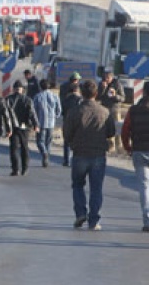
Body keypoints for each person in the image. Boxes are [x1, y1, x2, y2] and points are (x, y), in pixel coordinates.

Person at [63, 79, 115, 231]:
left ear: (82, 94)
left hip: (80, 153)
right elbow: (111, 132)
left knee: (78, 185)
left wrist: (73, 142)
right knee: (96, 188)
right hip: (98, 154)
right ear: (96, 93)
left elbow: (67, 133)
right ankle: (94, 220)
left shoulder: (75, 111)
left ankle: (80, 213)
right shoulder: (104, 111)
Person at [121, 82, 149, 232]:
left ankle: (147, 220)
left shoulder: (133, 110)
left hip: (139, 151)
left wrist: (128, 148)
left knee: (144, 187)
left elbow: (125, 130)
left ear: (144, 92)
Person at [6, 80, 40, 176]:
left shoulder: (8, 99)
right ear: (22, 89)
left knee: (14, 148)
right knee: (24, 148)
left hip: (13, 127)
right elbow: (32, 113)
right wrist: (36, 125)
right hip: (25, 127)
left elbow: (5, 114)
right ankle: (24, 169)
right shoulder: (27, 99)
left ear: (13, 89)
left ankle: (15, 169)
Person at [33, 78, 61, 167]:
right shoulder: (55, 96)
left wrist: (34, 121)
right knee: (48, 141)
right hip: (51, 122)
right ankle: (46, 158)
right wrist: (55, 116)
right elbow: (59, 109)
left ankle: (44, 153)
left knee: (39, 141)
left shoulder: (38, 96)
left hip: (41, 122)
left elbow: (34, 110)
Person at [97, 70, 125, 151]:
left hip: (115, 109)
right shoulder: (101, 84)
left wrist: (115, 96)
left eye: (108, 78)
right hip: (104, 109)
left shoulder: (117, 84)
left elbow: (123, 98)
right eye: (104, 77)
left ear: (112, 78)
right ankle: (110, 146)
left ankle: (119, 145)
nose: (106, 79)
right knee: (107, 128)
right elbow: (98, 97)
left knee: (117, 127)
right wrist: (103, 88)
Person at [61, 82, 83, 167]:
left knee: (67, 142)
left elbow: (62, 111)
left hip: (67, 122)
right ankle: (75, 160)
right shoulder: (80, 100)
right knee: (77, 142)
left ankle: (66, 160)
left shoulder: (65, 100)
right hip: (78, 123)